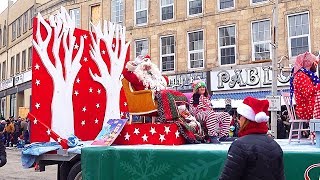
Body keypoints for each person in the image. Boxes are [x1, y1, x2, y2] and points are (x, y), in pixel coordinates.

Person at [219, 96, 285, 180]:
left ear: (246, 119)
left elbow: (227, 177)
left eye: (240, 116)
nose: (238, 120)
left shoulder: (239, 145)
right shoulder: (275, 145)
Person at [122, 52, 187, 121]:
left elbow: (165, 80)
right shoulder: (138, 78)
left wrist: (159, 77)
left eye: (149, 67)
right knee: (165, 93)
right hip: (147, 99)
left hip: (159, 94)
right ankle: (169, 118)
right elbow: (125, 73)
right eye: (145, 66)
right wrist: (134, 63)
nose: (147, 69)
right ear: (140, 67)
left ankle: (182, 115)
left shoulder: (156, 77)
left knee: (176, 93)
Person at [291, 51, 320, 120]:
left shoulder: (306, 75)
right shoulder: (301, 76)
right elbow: (308, 92)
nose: (316, 65)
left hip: (308, 106)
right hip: (306, 109)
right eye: (314, 62)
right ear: (308, 63)